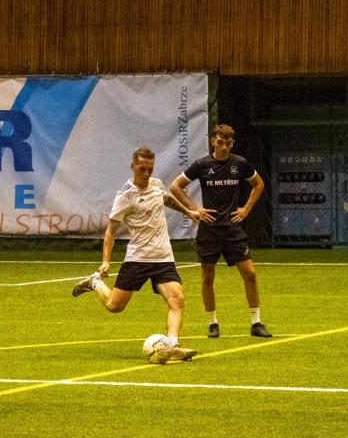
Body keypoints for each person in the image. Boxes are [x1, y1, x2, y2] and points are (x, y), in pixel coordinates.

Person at [72, 146, 201, 364]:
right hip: (138, 259)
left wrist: (188, 211)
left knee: (176, 298)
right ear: (133, 166)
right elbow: (110, 231)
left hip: (163, 257)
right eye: (142, 169)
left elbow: (167, 199)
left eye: (150, 169)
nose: (147, 173)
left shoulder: (157, 184)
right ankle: (95, 283)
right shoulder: (125, 196)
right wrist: (105, 261)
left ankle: (172, 346)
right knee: (115, 306)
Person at [167, 124, 272, 339]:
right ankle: (212, 322)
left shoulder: (239, 163)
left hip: (233, 229)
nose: (224, 147)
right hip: (209, 230)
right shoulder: (202, 165)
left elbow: (259, 184)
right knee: (208, 277)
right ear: (213, 141)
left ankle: (256, 323)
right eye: (220, 142)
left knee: (250, 274)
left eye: (228, 143)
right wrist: (195, 209)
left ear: (232, 144)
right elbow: (175, 187)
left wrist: (246, 209)